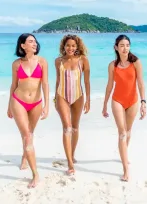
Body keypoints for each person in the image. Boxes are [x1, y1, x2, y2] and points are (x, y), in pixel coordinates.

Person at [7, 33, 50, 188]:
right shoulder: (16, 64)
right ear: (22, 46)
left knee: (30, 133)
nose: (34, 43)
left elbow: (45, 84)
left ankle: (25, 156)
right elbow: (13, 85)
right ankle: (35, 174)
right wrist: (8, 105)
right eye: (30, 41)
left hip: (36, 103)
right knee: (27, 135)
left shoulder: (43, 62)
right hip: (18, 101)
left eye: (35, 41)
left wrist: (47, 105)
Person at [102, 34, 146, 182]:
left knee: (128, 131)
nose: (125, 48)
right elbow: (109, 86)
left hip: (133, 101)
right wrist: (104, 104)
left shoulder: (136, 62)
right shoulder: (112, 65)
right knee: (122, 133)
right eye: (122, 45)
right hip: (117, 100)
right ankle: (125, 169)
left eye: (127, 45)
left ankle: (123, 153)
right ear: (116, 47)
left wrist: (143, 102)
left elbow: (140, 83)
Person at [54, 34, 91, 176]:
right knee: (67, 128)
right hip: (61, 96)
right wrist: (55, 98)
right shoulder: (58, 61)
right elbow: (58, 80)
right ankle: (69, 162)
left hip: (78, 97)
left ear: (77, 47)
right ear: (64, 46)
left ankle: (72, 154)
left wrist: (88, 100)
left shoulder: (83, 60)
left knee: (75, 128)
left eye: (73, 46)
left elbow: (87, 82)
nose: (70, 48)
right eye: (68, 45)